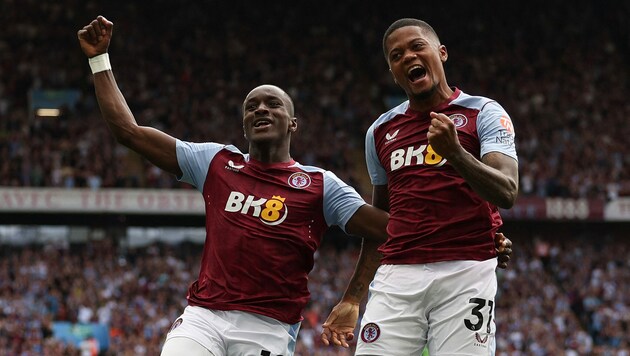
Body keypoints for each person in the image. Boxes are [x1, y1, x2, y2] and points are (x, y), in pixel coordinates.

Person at [77, 16, 513, 356]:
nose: (261, 109)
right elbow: (129, 132)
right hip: (204, 316)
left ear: (294, 122)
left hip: (267, 326)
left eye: (272, 104)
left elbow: (391, 225)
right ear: (244, 122)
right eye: (251, 106)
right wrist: (100, 60)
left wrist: (479, 229)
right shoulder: (214, 162)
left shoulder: (321, 186)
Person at [322, 18, 519, 355]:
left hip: (466, 270)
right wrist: (353, 297)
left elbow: (507, 191)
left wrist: (455, 153)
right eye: (396, 55)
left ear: (441, 53)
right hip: (397, 275)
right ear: (393, 72)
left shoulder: (483, 112)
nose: (408, 57)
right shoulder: (380, 131)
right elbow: (381, 221)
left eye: (417, 46)